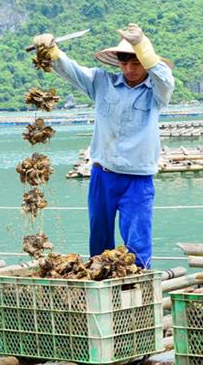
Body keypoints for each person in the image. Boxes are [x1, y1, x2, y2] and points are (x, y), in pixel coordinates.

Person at [33, 23, 174, 268]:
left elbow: (165, 78)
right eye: (124, 62)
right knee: (99, 236)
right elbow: (72, 70)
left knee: (137, 240)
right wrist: (52, 50)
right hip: (103, 174)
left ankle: (138, 289)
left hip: (138, 179)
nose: (130, 68)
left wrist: (142, 45)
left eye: (136, 62)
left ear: (145, 61)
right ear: (117, 62)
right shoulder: (101, 82)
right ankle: (101, 285)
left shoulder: (156, 92)